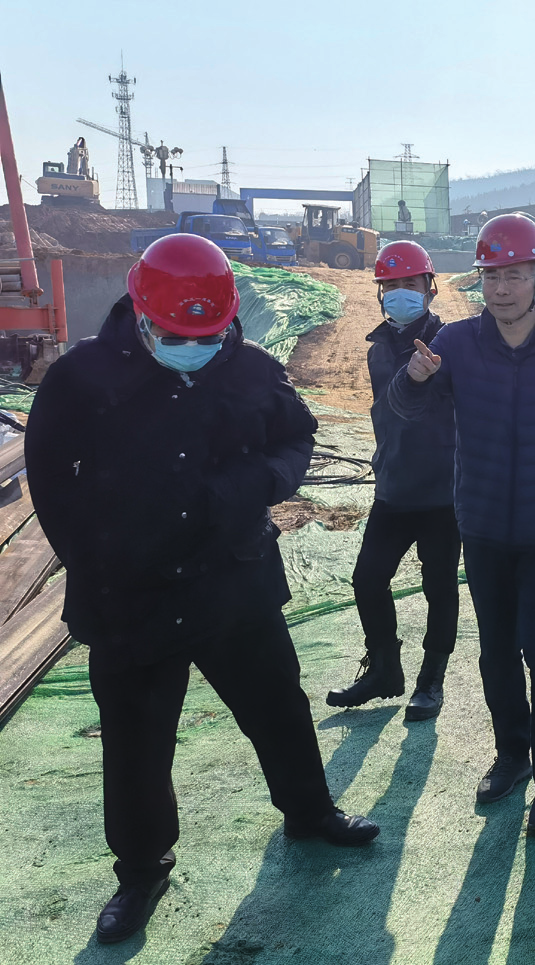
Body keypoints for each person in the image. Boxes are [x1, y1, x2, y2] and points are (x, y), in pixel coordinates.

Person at [24, 234, 378, 945]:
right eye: (176, 337)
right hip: (132, 596)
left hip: (234, 582)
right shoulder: (82, 378)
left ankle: (310, 811)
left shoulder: (250, 368)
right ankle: (140, 869)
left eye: (208, 337)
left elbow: (296, 438)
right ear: (141, 314)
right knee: (136, 743)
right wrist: (95, 563)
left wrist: (259, 484)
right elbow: (50, 479)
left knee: (279, 708)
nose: (193, 348)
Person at [388, 213, 535, 834]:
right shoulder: (458, 344)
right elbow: (407, 409)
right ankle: (512, 755)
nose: (501, 288)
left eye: (514, 275)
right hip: (485, 524)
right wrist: (412, 379)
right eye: (492, 276)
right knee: (495, 651)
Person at [326, 241, 460, 721]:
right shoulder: (379, 349)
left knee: (439, 585)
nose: (401, 292)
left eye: (411, 283)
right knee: (368, 579)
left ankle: (431, 679)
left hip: (443, 490)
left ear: (430, 287)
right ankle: (384, 668)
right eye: (392, 285)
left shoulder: (451, 343)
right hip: (395, 485)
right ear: (381, 292)